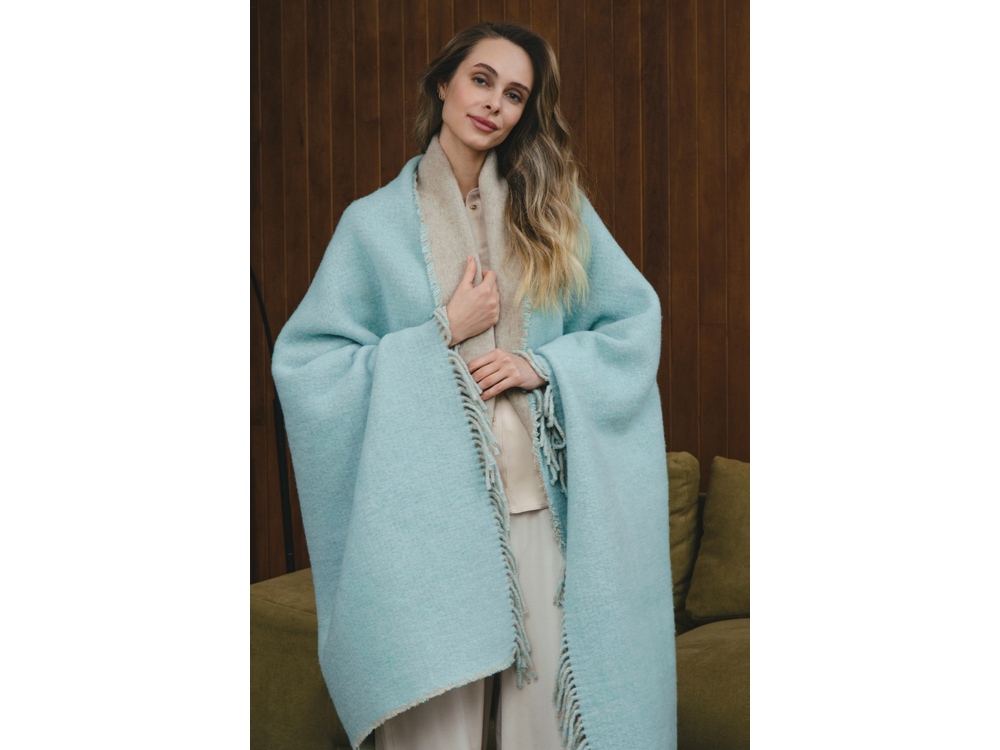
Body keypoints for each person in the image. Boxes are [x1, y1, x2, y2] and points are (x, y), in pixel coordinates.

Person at [272, 22, 677, 750]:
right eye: (482, 80)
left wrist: (541, 365)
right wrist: (443, 331)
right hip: (425, 525)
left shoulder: (553, 214)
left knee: (544, 728)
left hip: (535, 507)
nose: (494, 103)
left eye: (515, 95)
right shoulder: (371, 226)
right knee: (435, 734)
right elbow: (309, 368)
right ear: (444, 84)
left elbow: (632, 323)